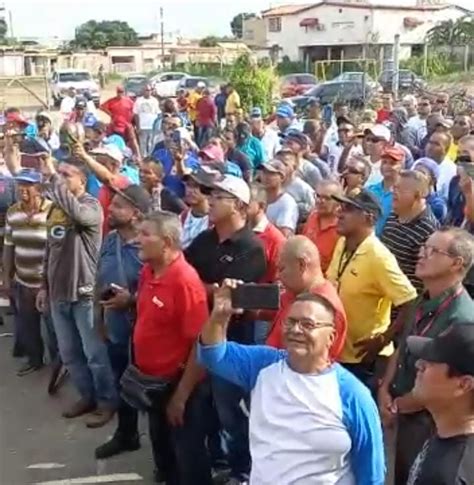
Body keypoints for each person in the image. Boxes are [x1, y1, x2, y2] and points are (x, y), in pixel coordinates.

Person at [198, 286, 385, 484]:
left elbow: (371, 474)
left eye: (308, 324)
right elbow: (213, 355)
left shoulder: (352, 394)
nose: (296, 330)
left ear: (331, 337)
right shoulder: (264, 365)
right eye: (291, 322)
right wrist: (219, 317)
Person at [185, 175, 267, 484]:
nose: (211, 200)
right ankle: (218, 460)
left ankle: (242, 472)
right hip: (198, 334)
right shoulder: (204, 240)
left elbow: (232, 299)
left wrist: (198, 288)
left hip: (232, 342)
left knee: (232, 412)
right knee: (205, 406)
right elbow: (185, 276)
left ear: (238, 206)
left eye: (218, 196)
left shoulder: (251, 247)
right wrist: (207, 289)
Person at [379, 227, 474, 483]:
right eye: (423, 248)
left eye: (433, 251)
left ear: (457, 263)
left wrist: (398, 405)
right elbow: (404, 347)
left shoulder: (463, 319)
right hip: (404, 410)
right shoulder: (421, 300)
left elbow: (447, 379)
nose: (422, 255)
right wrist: (386, 388)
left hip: (429, 419)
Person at [36, 155, 117, 427]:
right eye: (59, 173)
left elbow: (78, 215)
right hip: (58, 293)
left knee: (94, 353)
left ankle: (107, 402)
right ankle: (87, 396)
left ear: (82, 180)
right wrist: (43, 286)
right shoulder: (55, 209)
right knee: (70, 353)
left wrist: (53, 181)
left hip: (83, 294)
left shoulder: (91, 206)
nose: (61, 178)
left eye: (66, 174)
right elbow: (50, 248)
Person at [133, 211, 213, 485]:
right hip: (152, 384)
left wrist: (180, 397)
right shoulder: (148, 270)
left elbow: (200, 346)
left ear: (166, 242)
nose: (137, 240)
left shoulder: (185, 282)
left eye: (145, 235)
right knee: (163, 448)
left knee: (188, 454)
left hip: (178, 385)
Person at [327, 190, 417, 389]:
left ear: (368, 218)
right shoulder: (342, 243)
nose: (339, 213)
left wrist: (385, 339)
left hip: (361, 361)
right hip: (335, 351)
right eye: (341, 207)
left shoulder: (379, 257)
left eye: (348, 209)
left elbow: (411, 301)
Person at [94, 185, 150, 459]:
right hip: (115, 328)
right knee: (121, 383)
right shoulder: (110, 240)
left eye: (117, 206)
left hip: (144, 334)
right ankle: (126, 434)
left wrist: (132, 300)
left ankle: (164, 451)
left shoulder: (150, 246)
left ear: (136, 214)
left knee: (149, 390)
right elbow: (98, 279)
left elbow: (162, 288)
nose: (109, 209)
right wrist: (99, 319)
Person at [405, 325, 474, 485]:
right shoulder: (445, 432)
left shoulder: (452, 475)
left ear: (464, 384)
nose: (418, 365)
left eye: (430, 363)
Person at [3, 169, 52, 376]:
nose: (22, 189)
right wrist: (6, 278)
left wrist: (48, 282)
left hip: (47, 283)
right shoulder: (12, 212)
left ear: (39, 189)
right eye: (19, 185)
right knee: (29, 326)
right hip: (22, 280)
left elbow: (57, 248)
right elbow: (8, 246)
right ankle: (35, 360)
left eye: (28, 185)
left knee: (54, 329)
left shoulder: (52, 211)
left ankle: (61, 365)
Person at [265, 235, 347, 355]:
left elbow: (316, 365)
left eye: (281, 269)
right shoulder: (295, 291)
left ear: (301, 265)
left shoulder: (327, 310)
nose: (277, 276)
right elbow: (268, 309)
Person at [381, 170, 439, 293]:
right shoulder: (394, 214)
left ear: (417, 196)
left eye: (399, 190)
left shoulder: (428, 230)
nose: (393, 192)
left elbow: (423, 280)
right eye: (394, 187)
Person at [75, 144, 130, 235]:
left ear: (114, 165)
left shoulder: (122, 182)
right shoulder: (99, 184)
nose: (96, 167)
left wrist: (85, 157)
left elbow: (109, 179)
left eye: (102, 164)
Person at [247, 183, 285, 284]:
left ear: (261, 206)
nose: (240, 207)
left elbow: (278, 281)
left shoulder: (276, 240)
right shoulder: (236, 230)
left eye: (247, 203)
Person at [302, 180, 342, 274]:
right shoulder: (312, 217)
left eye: (327, 198)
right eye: (318, 196)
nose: (320, 201)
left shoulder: (342, 228)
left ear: (338, 202)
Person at [367, 145, 406, 236]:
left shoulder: (403, 195)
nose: (387, 166)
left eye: (392, 163)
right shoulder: (370, 190)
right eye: (384, 162)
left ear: (401, 166)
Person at [180, 167, 220, 249]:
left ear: (207, 190)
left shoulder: (216, 221)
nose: (190, 190)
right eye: (188, 185)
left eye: (195, 186)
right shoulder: (182, 217)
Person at [261, 158, 298, 237]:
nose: (266, 177)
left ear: (281, 177)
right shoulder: (258, 198)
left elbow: (284, 234)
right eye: (264, 172)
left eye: (271, 173)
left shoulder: (287, 202)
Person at [276, 149, 315, 224]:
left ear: (294, 167)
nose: (280, 168)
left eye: (285, 164)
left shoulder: (304, 189)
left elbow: (312, 212)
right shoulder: (270, 184)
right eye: (277, 164)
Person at [413, 157, 447, 224]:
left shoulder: (437, 205)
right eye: (414, 172)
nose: (415, 176)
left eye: (421, 173)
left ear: (432, 180)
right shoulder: (406, 196)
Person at [425, 131, 456, 201]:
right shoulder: (419, 162)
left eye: (436, 144)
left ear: (446, 150)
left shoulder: (451, 170)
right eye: (430, 142)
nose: (430, 147)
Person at [133, 84, 161, 157]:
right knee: (143, 144)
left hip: (153, 127)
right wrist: (138, 127)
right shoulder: (138, 101)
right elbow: (136, 114)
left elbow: (158, 114)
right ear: (143, 91)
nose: (148, 92)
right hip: (143, 126)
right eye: (146, 90)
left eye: (149, 90)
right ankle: (143, 160)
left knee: (151, 144)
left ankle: (151, 158)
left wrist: (158, 126)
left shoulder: (155, 101)